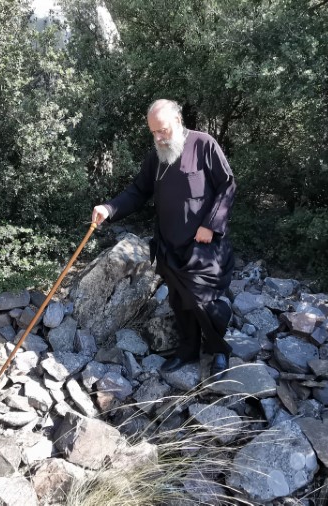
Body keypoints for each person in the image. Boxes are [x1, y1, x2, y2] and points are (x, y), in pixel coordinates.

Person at [91, 99, 237, 379]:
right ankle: (188, 348)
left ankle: (218, 349)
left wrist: (210, 225)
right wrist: (109, 209)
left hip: (203, 245)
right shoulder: (156, 158)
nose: (158, 138)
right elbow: (138, 191)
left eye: (163, 130)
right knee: (180, 301)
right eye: (153, 132)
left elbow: (227, 185)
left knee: (205, 301)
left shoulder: (204, 144)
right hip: (169, 244)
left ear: (178, 121)